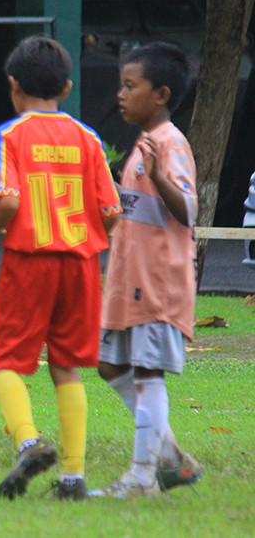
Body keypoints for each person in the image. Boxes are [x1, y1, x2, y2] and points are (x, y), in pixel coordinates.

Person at [0, 36, 122, 500]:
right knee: (67, 367)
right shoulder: (89, 138)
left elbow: (8, 201)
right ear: (67, 87)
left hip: (30, 260)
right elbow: (112, 212)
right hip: (81, 264)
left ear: (13, 85)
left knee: (6, 361)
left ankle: (28, 441)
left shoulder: (7, 136)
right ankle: (74, 477)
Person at [97, 42, 203, 498]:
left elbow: (189, 210)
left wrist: (160, 177)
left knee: (146, 373)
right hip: (129, 280)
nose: (120, 94)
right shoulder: (142, 145)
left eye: (130, 86)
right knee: (109, 364)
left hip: (157, 283)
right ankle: (172, 458)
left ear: (161, 95)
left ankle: (143, 477)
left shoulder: (169, 143)